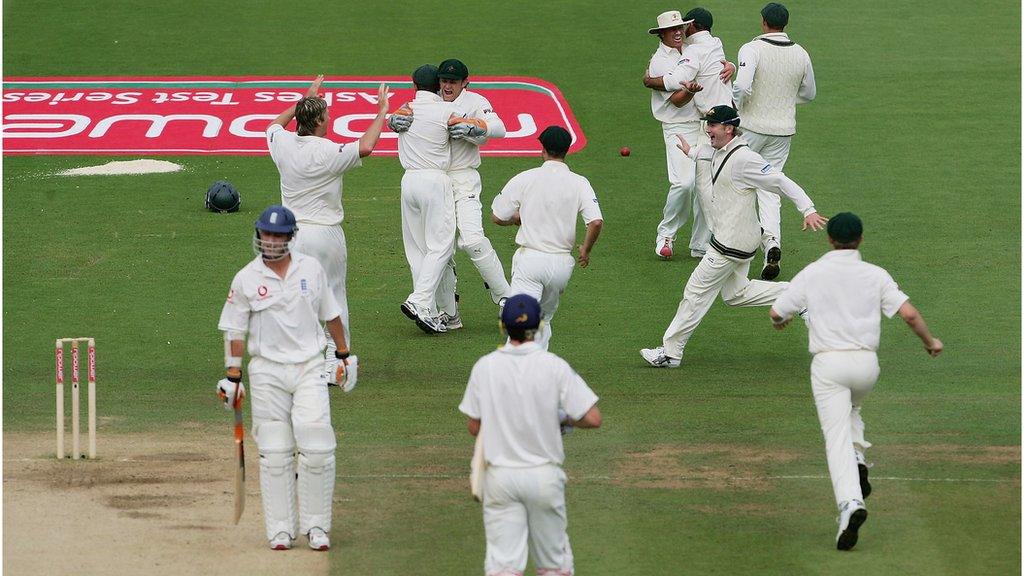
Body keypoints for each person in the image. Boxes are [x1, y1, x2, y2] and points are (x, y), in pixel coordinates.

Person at [769, 212, 943, 551]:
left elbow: (777, 311)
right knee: (851, 411)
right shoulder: (874, 274)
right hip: (866, 366)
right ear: (860, 239)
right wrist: (930, 342)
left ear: (830, 239)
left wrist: (780, 322)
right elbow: (908, 314)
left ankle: (851, 504)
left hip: (829, 365)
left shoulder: (813, 272)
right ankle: (860, 461)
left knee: (836, 438)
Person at [640, 105, 827, 368]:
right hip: (740, 240)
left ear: (729, 128)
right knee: (736, 295)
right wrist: (690, 151)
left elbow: (780, 181)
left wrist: (808, 209)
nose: (708, 129)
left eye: (713, 125)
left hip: (729, 244)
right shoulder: (716, 149)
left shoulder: (746, 159)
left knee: (695, 292)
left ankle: (670, 353)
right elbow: (706, 155)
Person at [216, 205, 352, 551]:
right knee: (275, 453)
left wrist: (343, 355)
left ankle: (317, 527)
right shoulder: (246, 278)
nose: (271, 241)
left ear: (291, 238)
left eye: (278, 235)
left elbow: (331, 314)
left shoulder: (312, 269)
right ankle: (280, 530)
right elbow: (235, 328)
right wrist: (232, 375)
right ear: (258, 235)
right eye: (267, 234)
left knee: (319, 448)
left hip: (309, 367)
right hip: (267, 372)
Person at [458, 293, 602, 576]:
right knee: (554, 567)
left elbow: (474, 426)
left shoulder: (485, 366)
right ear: (538, 327)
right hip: (544, 477)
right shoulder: (554, 365)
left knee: (503, 567)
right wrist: (561, 420)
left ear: (503, 326)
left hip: (500, 479)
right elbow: (593, 418)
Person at [266, 75, 389, 382]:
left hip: (290, 236)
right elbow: (367, 146)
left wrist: (301, 103)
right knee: (332, 296)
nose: (330, 118)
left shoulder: (281, 144)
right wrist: (381, 111)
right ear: (319, 120)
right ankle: (335, 363)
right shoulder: (328, 152)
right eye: (326, 115)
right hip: (325, 234)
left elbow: (273, 126)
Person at [389, 58, 511, 329]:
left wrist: (475, 126)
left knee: (471, 239)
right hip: (437, 182)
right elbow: (404, 114)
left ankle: (505, 297)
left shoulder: (475, 101)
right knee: (438, 249)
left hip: (463, 179)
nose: (447, 86)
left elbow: (500, 128)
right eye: (443, 81)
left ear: (465, 82)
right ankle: (449, 313)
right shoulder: (430, 102)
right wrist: (393, 120)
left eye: (453, 82)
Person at [491, 126, 603, 350]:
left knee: (520, 323)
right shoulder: (579, 182)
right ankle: (537, 370)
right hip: (562, 265)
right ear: (567, 150)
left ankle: (515, 374)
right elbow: (596, 222)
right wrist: (586, 250)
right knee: (543, 321)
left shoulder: (526, 178)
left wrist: (515, 219)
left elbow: (496, 216)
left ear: (543, 149)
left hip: (530, 261)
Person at [730, 2, 817, 280]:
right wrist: (782, 101)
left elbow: (741, 86)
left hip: (750, 128)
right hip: (783, 130)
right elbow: (809, 93)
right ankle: (772, 244)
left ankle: (734, 244)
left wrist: (738, 107)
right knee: (770, 187)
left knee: (735, 181)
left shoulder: (751, 48)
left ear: (763, 22)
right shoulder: (801, 53)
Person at [395, 64, 460, 334]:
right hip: (435, 181)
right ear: (438, 86)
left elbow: (394, 121)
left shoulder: (405, 109)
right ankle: (419, 300)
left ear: (414, 86)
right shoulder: (447, 111)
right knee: (442, 246)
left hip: (409, 181)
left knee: (417, 250)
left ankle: (432, 312)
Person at [643, 10, 709, 261]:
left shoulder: (693, 48)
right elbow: (678, 102)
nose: (678, 32)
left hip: (704, 126)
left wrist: (729, 65)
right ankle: (666, 234)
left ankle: (700, 244)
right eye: (672, 30)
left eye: (680, 27)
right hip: (677, 127)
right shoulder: (659, 61)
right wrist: (690, 92)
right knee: (684, 183)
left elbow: (714, 59)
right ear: (661, 34)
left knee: (705, 185)